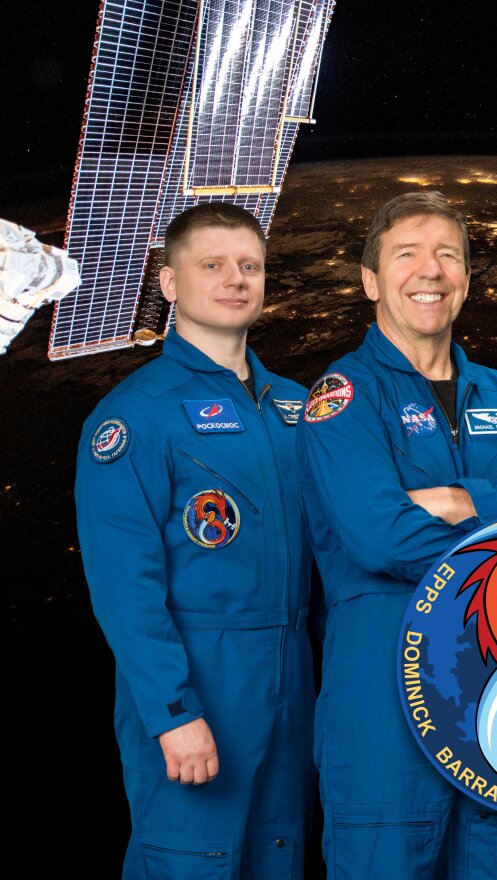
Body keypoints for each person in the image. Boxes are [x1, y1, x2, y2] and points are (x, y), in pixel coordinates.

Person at [297, 191, 497, 879]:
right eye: (407, 255)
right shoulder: (342, 397)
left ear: (465, 280)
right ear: (371, 280)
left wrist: (466, 499)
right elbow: (384, 539)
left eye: (448, 256)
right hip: (385, 701)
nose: (429, 271)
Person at [75, 203, 316, 877]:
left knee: (277, 854)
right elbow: (126, 587)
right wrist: (173, 712)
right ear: (171, 283)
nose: (235, 279)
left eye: (250, 266)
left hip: (291, 673)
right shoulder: (134, 416)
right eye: (212, 264)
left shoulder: (297, 408)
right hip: (201, 676)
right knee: (190, 860)